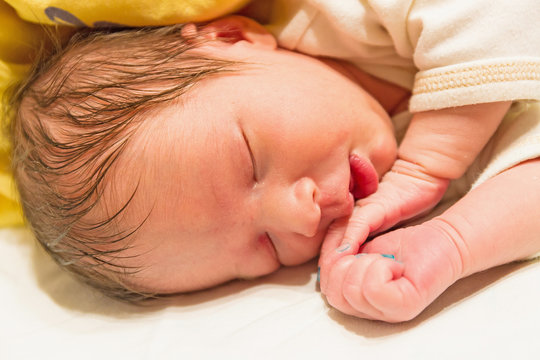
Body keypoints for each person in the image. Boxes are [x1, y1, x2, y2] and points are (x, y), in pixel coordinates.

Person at [6, 0, 540, 322]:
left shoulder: (341, 18)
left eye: (251, 162)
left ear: (234, 38)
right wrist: (452, 242)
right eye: (266, 248)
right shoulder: (387, 206)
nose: (299, 217)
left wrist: (428, 164)